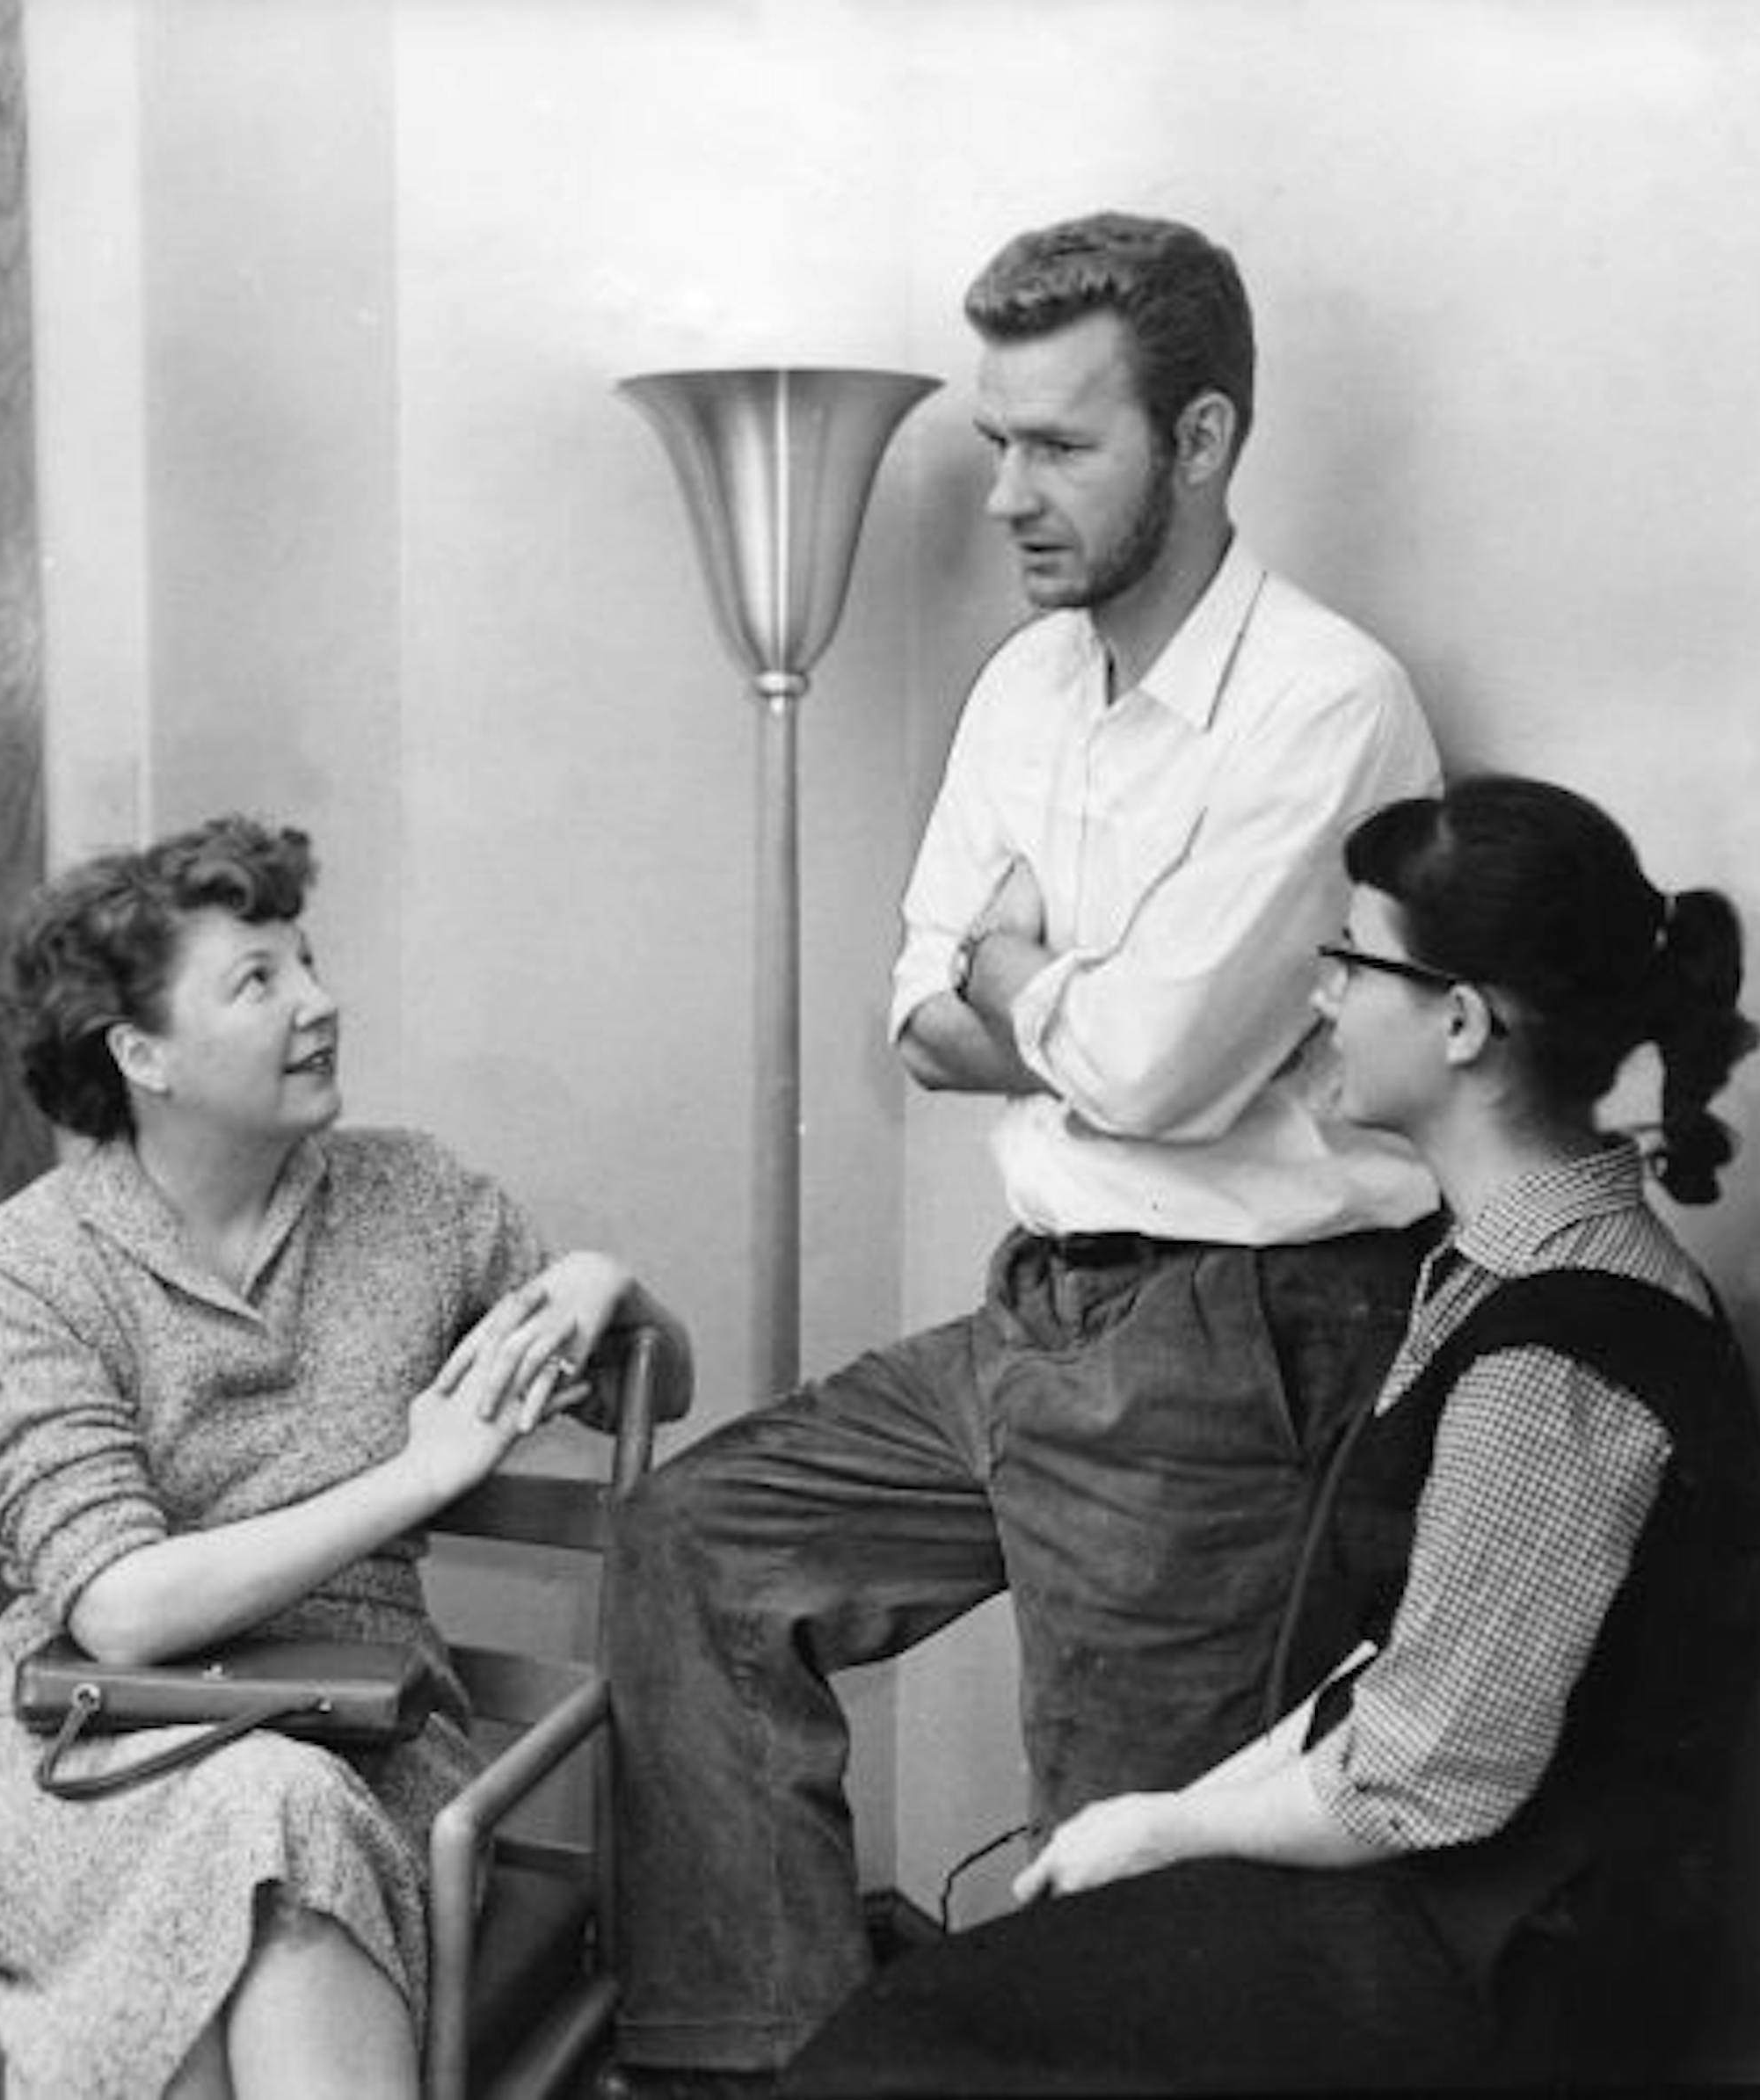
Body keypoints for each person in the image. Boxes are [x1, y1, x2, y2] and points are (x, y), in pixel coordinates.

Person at [607, 210, 1444, 2088]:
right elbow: (918, 1023)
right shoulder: (1023, 685)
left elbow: (1148, 1069)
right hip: (1039, 1319)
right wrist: (1048, 996)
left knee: (1122, 1872)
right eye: (997, 439)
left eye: (1059, 442)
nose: (1003, 494)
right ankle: (795, 2062)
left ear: (1205, 439)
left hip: (1241, 1345)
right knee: (696, 1544)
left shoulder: (1325, 701)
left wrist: (1023, 979)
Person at [782, 774, 1760, 2095]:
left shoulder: (1561, 1349)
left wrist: (1165, 1827)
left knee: (905, 2058)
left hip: (1513, 1963)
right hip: (1432, 1894)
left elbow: (1431, 1773)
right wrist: (1169, 1826)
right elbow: (1390, 1674)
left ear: (1463, 1022)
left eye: (1350, 963)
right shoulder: (1496, 1264)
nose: (1320, 999)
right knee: (935, 2020)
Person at [0, 814, 675, 2100]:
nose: (320, 1004)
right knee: (268, 1817)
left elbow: (639, 1392)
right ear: (141, 1052)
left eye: (309, 962)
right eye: (259, 980)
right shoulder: (22, 1265)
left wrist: (608, 1286)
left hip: (370, 1747)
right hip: (76, 1758)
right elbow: (118, 1610)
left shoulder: (421, 1200)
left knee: (288, 1809)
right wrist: (414, 1476)